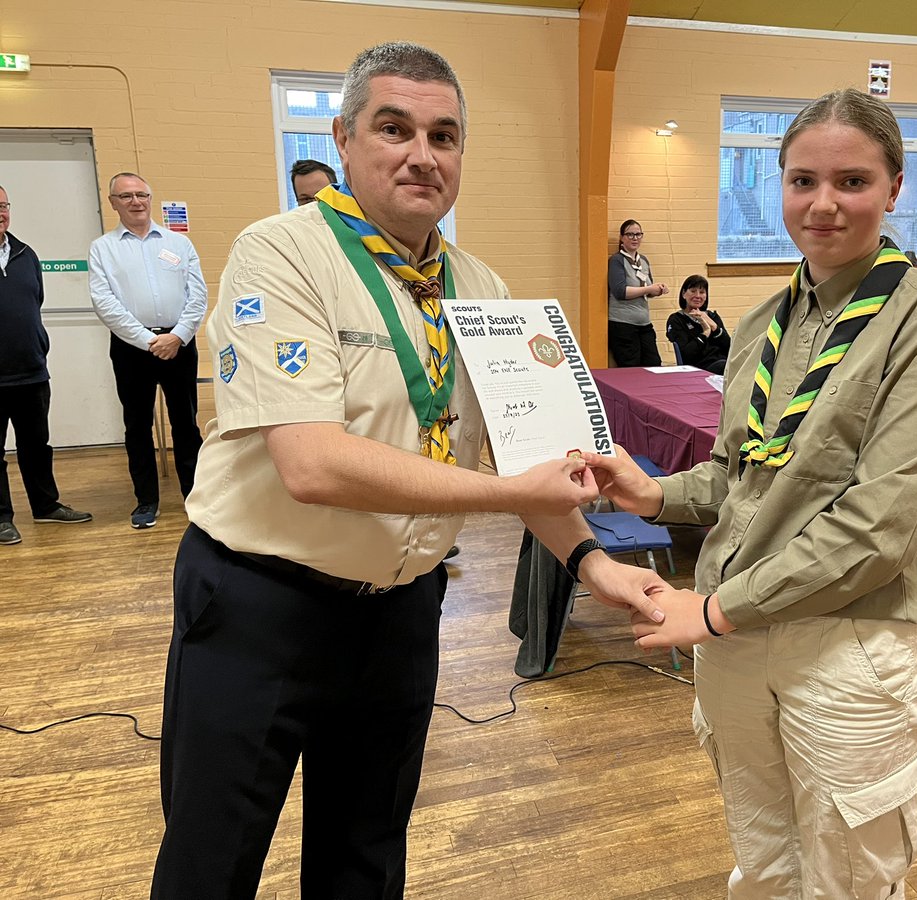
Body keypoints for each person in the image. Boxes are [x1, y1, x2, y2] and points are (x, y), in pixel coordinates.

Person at [149, 42, 666, 900]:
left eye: (444, 136)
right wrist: (510, 493)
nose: (423, 155)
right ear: (344, 140)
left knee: (366, 857)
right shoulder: (281, 254)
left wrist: (591, 560)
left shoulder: (482, 288)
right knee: (212, 861)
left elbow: (527, 459)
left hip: (401, 614)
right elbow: (313, 465)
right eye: (395, 129)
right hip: (259, 604)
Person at [587, 88, 917, 898]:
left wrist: (713, 611)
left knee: (848, 878)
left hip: (847, 643)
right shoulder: (765, 321)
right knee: (764, 858)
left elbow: (877, 530)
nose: (823, 204)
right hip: (737, 638)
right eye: (803, 181)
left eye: (851, 181)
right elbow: (743, 476)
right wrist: (653, 494)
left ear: (894, 187)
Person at [88, 173, 207, 530]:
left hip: (179, 344)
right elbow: (104, 302)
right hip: (131, 349)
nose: (136, 202)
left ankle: (195, 498)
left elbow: (197, 295)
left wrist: (178, 336)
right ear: (113, 203)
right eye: (126, 196)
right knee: (137, 426)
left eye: (141, 194)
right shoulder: (103, 248)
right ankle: (146, 501)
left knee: (185, 424)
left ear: (150, 198)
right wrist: (148, 341)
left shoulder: (178, 243)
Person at [0, 185, 92, 545]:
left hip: (31, 371)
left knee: (37, 445)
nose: (0, 213)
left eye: (4, 205)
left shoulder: (26, 254)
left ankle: (45, 505)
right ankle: (2, 518)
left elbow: (34, 301)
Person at [607, 219, 665, 366]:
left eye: (638, 234)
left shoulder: (643, 260)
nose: (635, 238)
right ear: (622, 238)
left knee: (654, 364)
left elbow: (647, 288)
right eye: (630, 234)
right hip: (623, 324)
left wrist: (657, 290)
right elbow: (620, 291)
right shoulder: (617, 260)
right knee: (631, 369)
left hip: (644, 323)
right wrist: (649, 289)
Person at [665, 274, 730, 374]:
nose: (698, 296)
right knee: (726, 367)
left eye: (702, 292)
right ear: (684, 294)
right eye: (693, 291)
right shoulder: (676, 319)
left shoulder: (712, 317)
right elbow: (686, 354)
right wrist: (705, 333)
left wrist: (714, 326)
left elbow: (730, 347)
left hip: (723, 363)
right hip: (699, 367)